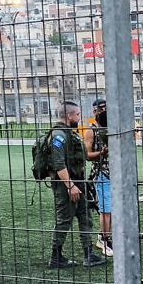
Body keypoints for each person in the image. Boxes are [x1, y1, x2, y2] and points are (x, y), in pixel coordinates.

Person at [46, 101, 107, 269]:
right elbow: (59, 164)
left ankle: (88, 255)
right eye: (78, 115)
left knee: (85, 217)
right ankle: (56, 256)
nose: (79, 118)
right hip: (66, 186)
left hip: (79, 183)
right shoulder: (59, 135)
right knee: (64, 220)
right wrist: (70, 186)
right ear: (69, 115)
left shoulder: (69, 133)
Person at [83, 98, 113, 257]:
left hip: (116, 173)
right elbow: (86, 155)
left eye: (105, 108)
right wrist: (102, 153)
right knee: (106, 209)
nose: (103, 111)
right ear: (94, 111)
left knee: (113, 209)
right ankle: (104, 238)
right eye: (100, 109)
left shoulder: (112, 126)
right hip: (102, 173)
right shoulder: (91, 130)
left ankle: (109, 235)